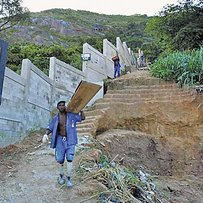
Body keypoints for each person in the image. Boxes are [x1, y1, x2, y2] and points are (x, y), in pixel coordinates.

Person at [42, 100, 85, 187]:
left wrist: (81, 110)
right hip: (60, 141)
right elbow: (50, 127)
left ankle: (69, 178)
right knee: (60, 159)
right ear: (58, 107)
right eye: (60, 105)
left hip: (71, 140)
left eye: (63, 105)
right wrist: (45, 134)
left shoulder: (71, 115)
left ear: (65, 106)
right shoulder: (55, 118)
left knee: (69, 159)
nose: (62, 106)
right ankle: (61, 176)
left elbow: (82, 118)